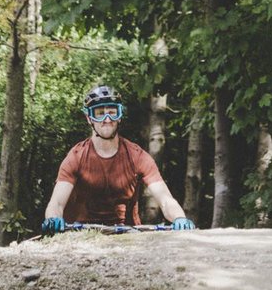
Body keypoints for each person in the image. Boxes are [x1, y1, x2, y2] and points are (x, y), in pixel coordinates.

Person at [41, 84, 196, 234]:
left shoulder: (137, 156)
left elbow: (165, 199)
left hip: (127, 235)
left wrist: (179, 218)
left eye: (112, 112)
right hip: (83, 235)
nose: (107, 119)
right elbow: (57, 203)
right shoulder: (76, 157)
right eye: (99, 113)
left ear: (120, 116)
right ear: (89, 118)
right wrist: (53, 219)